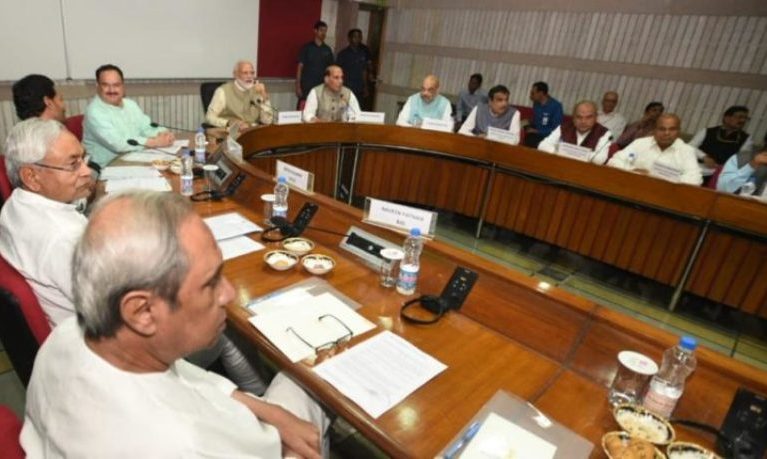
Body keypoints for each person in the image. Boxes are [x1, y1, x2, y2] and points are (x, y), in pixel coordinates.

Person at [21, 191, 329, 458]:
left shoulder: (68, 335)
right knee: (311, 379)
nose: (229, 294)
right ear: (142, 312)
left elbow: (184, 377)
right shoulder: (183, 445)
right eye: (210, 283)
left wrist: (271, 411)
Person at [0, 119, 91, 326]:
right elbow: (114, 309)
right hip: (91, 334)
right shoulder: (64, 237)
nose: (86, 171)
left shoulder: (14, 204)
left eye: (83, 159)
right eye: (73, 164)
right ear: (31, 177)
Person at [82, 64, 175, 168]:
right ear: (97, 86)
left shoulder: (130, 104)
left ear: (123, 86)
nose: (112, 90)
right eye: (106, 85)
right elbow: (118, 144)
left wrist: (163, 134)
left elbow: (146, 127)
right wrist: (155, 142)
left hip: (134, 159)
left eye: (116, 85)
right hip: (106, 167)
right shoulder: (94, 112)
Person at [608, 114, 702, 185]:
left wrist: (661, 178)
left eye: (672, 129)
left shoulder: (686, 151)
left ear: (678, 131)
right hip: (634, 188)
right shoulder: (640, 143)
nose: (666, 133)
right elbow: (614, 161)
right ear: (654, 130)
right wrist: (633, 171)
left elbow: (696, 180)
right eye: (662, 129)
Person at [205, 60, 275, 130]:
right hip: (231, 132)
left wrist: (264, 94)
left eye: (252, 73)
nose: (249, 76)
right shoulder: (223, 91)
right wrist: (228, 122)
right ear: (235, 75)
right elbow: (209, 117)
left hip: (252, 132)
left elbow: (267, 121)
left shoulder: (257, 90)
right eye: (245, 73)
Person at [538, 100, 612, 164]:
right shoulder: (564, 127)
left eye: (588, 117)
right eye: (579, 117)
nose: (583, 121)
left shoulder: (604, 132)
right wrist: (580, 154)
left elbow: (600, 159)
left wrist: (565, 151)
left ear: (596, 118)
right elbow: (542, 145)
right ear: (573, 118)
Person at [689, 105, 753, 168]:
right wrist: (704, 157)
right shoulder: (707, 131)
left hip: (722, 171)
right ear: (727, 118)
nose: (743, 121)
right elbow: (689, 147)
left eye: (746, 118)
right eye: (740, 117)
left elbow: (742, 159)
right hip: (697, 167)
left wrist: (726, 167)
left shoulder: (746, 139)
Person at [296, 20, 334, 107]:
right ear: (315, 31)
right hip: (306, 85)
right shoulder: (306, 48)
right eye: (321, 30)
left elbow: (330, 70)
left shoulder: (327, 50)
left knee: (318, 108)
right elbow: (300, 67)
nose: (323, 33)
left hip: (321, 86)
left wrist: (330, 85)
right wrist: (298, 86)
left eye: (325, 31)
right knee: (304, 107)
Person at [335, 28, 373, 109]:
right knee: (344, 111)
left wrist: (365, 86)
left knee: (358, 110)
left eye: (359, 37)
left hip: (359, 88)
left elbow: (364, 71)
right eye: (355, 37)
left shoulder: (363, 53)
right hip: (346, 88)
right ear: (349, 38)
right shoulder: (343, 54)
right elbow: (337, 72)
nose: (357, 39)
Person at [523, 81, 563, 148]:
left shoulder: (556, 106)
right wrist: (528, 121)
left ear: (541, 93)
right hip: (536, 131)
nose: (530, 96)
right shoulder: (536, 103)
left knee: (531, 140)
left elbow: (556, 129)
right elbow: (537, 120)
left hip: (547, 135)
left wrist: (537, 131)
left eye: (533, 93)